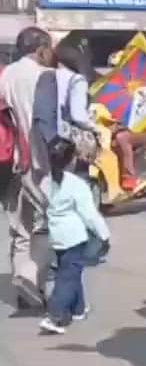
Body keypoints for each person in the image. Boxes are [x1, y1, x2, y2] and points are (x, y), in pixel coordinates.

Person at [0, 26, 59, 310]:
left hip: (13, 162)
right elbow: (51, 124)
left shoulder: (7, 74)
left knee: (21, 226)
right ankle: (34, 280)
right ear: (41, 49)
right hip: (42, 162)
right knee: (48, 223)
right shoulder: (44, 76)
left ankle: (23, 283)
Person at [37, 137, 109, 335]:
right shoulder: (76, 184)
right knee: (68, 277)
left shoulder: (45, 182)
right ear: (71, 160)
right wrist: (104, 235)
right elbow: (90, 215)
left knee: (70, 270)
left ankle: (78, 309)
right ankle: (56, 315)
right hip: (74, 237)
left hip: (57, 236)